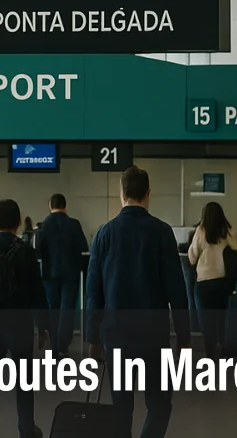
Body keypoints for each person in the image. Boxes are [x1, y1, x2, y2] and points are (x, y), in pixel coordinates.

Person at [86, 166, 189, 438]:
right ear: (148, 194)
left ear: (122, 194)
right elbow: (176, 290)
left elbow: (93, 292)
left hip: (115, 334)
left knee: (121, 407)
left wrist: (92, 338)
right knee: (159, 404)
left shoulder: (103, 234)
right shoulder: (162, 232)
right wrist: (185, 336)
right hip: (153, 335)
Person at [0, 199, 49, 438]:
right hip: (19, 326)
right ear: (17, 222)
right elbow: (37, 291)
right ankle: (26, 428)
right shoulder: (26, 252)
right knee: (24, 382)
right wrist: (43, 326)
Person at [187, 201, 237, 358]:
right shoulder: (228, 231)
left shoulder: (200, 231)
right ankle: (222, 349)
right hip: (222, 282)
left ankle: (210, 354)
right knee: (221, 319)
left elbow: (192, 258)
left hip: (203, 284)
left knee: (206, 323)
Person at [35, 193, 88, 357]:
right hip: (71, 275)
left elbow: (38, 252)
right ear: (65, 206)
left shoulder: (43, 226)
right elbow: (83, 247)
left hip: (50, 275)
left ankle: (55, 346)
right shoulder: (74, 224)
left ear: (50, 206)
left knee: (53, 310)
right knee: (67, 310)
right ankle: (63, 344)